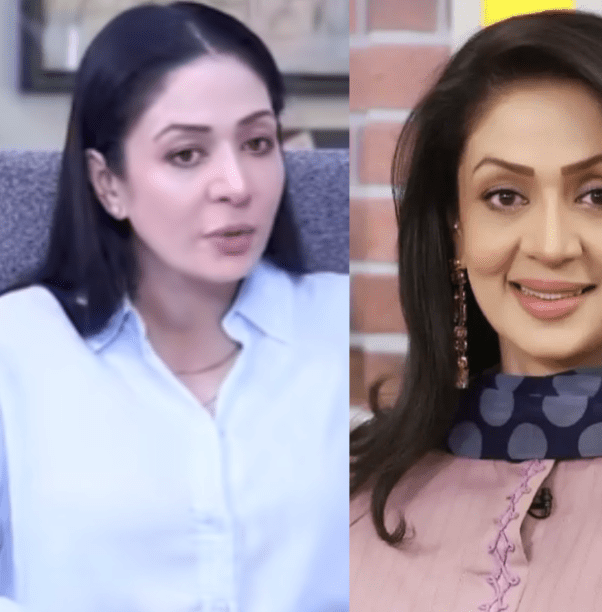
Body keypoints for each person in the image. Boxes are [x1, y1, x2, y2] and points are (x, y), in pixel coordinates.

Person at [349, 11, 602, 612]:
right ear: (457, 232)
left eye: (600, 196)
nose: (550, 244)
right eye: (505, 196)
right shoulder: (356, 499)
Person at [0, 3, 347, 611]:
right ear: (108, 183)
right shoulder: (19, 350)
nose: (236, 185)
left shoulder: (351, 327)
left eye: (258, 142)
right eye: (186, 155)